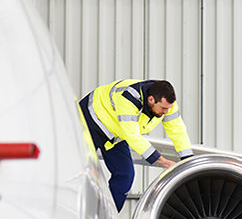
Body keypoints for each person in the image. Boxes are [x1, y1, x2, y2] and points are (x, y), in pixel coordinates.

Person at [79, 79, 193, 211]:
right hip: (90, 121)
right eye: (163, 108)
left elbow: (177, 131)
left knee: (125, 176)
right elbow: (132, 136)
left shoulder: (167, 105)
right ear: (151, 100)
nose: (166, 112)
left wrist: (187, 161)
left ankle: (108, 218)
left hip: (115, 133)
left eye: (168, 108)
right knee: (80, 169)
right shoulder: (128, 97)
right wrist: (162, 161)